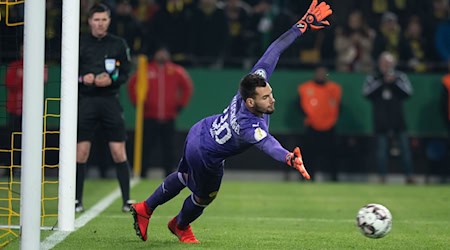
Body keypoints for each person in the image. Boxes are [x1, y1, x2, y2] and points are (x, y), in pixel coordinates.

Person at [130, 0, 332, 244]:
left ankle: (145, 208)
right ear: (250, 103)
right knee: (205, 197)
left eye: (270, 93)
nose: (272, 100)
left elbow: (274, 50)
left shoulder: (253, 82)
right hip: (207, 155)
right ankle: (179, 225)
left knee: (184, 175)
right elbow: (267, 143)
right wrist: (288, 157)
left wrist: (302, 26)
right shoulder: (248, 126)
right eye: (266, 98)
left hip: (200, 129)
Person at [76, 3, 132, 213]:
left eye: (104, 20)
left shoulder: (118, 44)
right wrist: (83, 78)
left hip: (110, 100)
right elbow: (67, 72)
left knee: (118, 151)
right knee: (81, 152)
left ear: (109, 21)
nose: (100, 24)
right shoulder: (78, 43)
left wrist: (111, 79)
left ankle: (126, 200)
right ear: (89, 21)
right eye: (96, 20)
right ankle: (76, 200)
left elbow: (125, 73)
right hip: (86, 100)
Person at [128, 46, 194, 178]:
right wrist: (138, 103)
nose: (162, 55)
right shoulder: (145, 70)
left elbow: (188, 87)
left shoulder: (176, 71)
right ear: (155, 54)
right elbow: (131, 85)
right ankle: (142, 172)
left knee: (169, 148)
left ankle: (169, 174)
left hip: (169, 116)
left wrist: (180, 105)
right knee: (145, 146)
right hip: (149, 116)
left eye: (164, 52)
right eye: (160, 52)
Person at [362, 51, 414, 184]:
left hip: (398, 119)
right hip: (381, 120)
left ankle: (409, 176)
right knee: (381, 151)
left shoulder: (400, 76)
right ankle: (382, 177)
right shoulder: (374, 77)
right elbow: (366, 93)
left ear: (394, 64)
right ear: (379, 64)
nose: (386, 66)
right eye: (384, 63)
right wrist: (382, 81)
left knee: (405, 150)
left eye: (389, 63)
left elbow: (408, 93)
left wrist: (394, 82)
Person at [298, 66, 341, 181]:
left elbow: (338, 106)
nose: (321, 75)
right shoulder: (305, 88)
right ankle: (307, 177)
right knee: (308, 155)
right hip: (311, 126)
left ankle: (334, 179)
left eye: (323, 73)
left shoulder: (334, 89)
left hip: (329, 127)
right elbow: (299, 106)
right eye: (319, 73)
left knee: (332, 156)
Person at [5, 45, 48, 131]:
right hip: (15, 108)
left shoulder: (40, 66)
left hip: (33, 109)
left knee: (34, 132)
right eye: (23, 51)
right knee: (14, 135)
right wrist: (20, 78)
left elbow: (44, 80)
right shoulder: (14, 66)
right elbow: (9, 84)